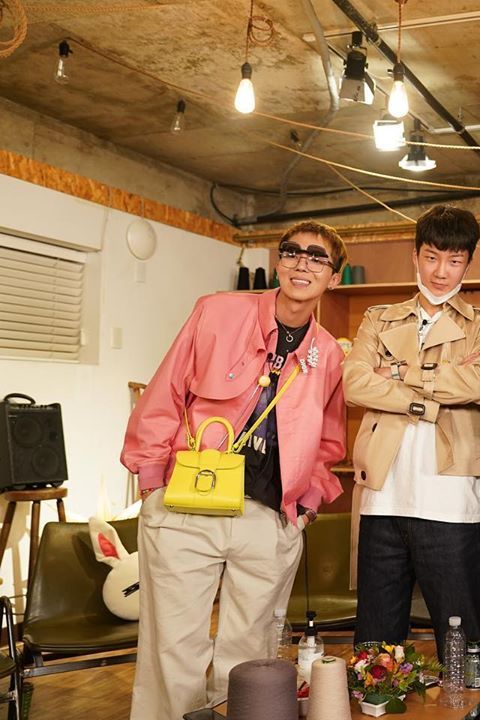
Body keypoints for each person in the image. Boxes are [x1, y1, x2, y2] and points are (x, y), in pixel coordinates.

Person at [121, 220, 348, 719]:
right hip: (185, 505)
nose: (302, 263)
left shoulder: (328, 353)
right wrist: (152, 478)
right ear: (278, 261)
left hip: (268, 517)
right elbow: (165, 392)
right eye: (292, 252)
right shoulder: (217, 311)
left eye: (318, 258)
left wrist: (306, 506)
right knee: (172, 650)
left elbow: (329, 440)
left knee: (251, 658)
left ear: (334, 277)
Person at [344, 205, 480, 680]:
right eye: (431, 257)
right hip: (381, 495)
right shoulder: (378, 318)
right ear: (415, 256)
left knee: (461, 641)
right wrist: (426, 402)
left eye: (454, 260)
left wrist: (394, 371)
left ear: (467, 262)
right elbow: (354, 384)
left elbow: (476, 384)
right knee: (375, 642)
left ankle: (470, 709)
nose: (441, 271)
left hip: (452, 499)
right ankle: (376, 709)